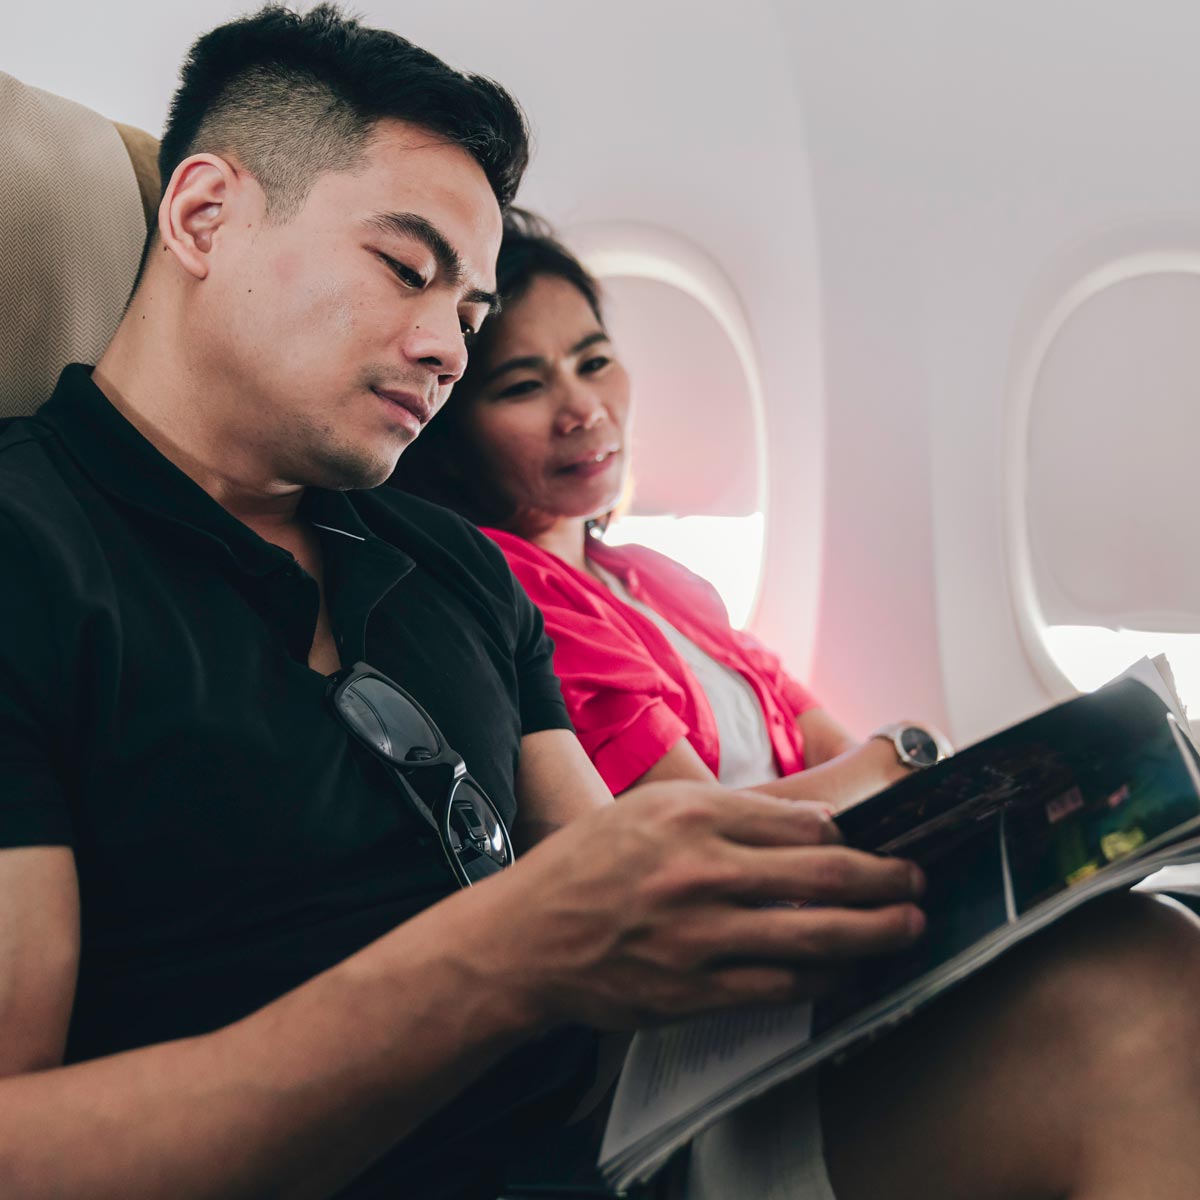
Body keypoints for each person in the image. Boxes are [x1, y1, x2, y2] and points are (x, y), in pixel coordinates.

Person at [1, 7, 1199, 1200]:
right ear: (205, 214)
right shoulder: (30, 551)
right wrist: (498, 962)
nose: (446, 351)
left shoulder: (450, 564)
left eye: (469, 315)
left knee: (1142, 977)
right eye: (406, 270)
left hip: (605, 1133)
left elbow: (608, 885)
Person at [390, 211, 943, 808]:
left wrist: (886, 762)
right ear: (453, 431)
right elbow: (708, 828)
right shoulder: (512, 590)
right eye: (524, 386)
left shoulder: (657, 576)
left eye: (594, 363)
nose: (584, 410)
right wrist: (903, 754)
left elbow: (820, 735)